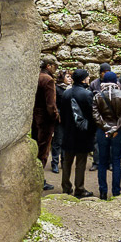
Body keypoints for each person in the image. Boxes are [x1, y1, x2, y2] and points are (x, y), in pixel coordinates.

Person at [92, 71, 121, 200]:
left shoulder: (98, 96)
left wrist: (107, 128)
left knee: (102, 162)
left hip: (103, 132)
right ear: (115, 82)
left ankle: (103, 191)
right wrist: (115, 129)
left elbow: (96, 116)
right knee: (116, 162)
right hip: (117, 133)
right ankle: (116, 191)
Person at [57, 68, 95, 198]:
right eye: (88, 77)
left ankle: (66, 187)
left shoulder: (66, 93)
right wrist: (91, 131)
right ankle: (79, 188)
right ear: (83, 79)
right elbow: (91, 115)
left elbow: (62, 113)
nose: (89, 79)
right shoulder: (87, 94)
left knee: (67, 161)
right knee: (80, 162)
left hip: (68, 132)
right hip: (82, 133)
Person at [31, 55, 60, 191]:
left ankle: (33, 177)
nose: (56, 69)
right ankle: (39, 180)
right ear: (49, 66)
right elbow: (50, 104)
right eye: (55, 66)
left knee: (35, 146)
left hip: (34, 116)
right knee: (43, 150)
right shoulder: (48, 80)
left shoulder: (35, 76)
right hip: (44, 119)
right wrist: (55, 116)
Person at [88, 63, 112, 171]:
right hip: (98, 116)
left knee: (111, 140)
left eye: (108, 73)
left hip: (110, 117)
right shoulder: (94, 84)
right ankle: (97, 162)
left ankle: (110, 162)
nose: (106, 75)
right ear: (101, 73)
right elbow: (90, 99)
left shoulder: (115, 84)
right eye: (104, 73)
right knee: (96, 140)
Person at [50, 70, 72, 174]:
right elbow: (54, 103)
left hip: (69, 119)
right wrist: (58, 114)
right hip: (60, 118)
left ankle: (64, 162)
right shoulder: (57, 88)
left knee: (66, 141)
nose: (70, 79)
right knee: (58, 141)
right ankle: (55, 162)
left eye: (70, 77)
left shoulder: (71, 89)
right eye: (67, 77)